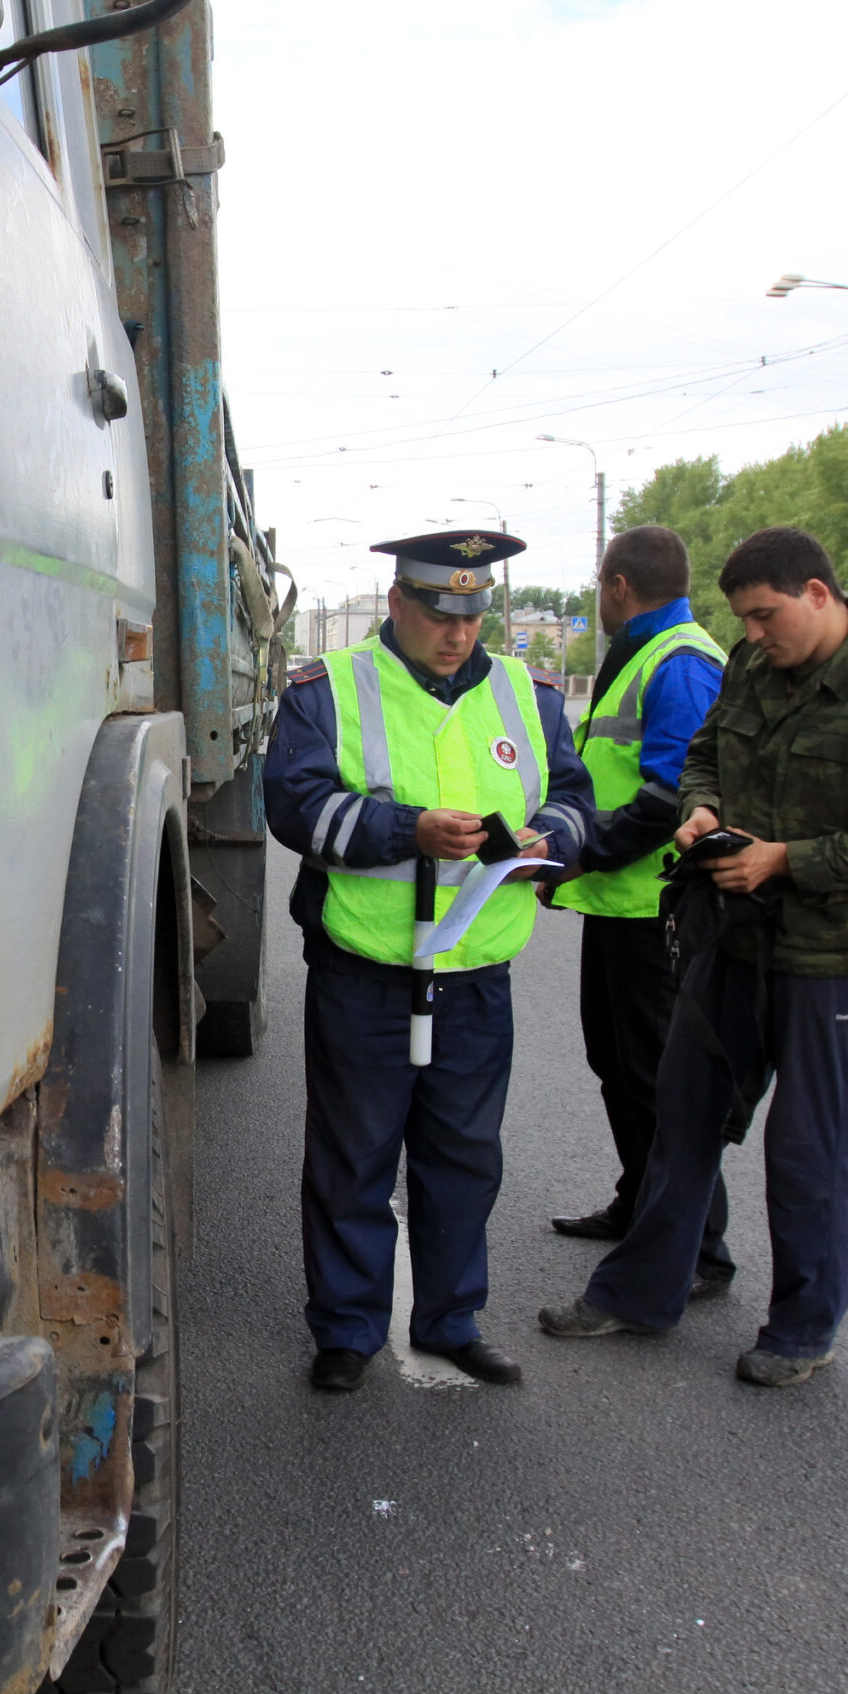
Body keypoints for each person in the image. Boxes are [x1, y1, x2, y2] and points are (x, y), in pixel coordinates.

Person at [539, 526, 848, 1387]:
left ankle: (804, 1329)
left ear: (819, 592)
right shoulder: (750, 665)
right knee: (680, 1121)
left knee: (814, 1152)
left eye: (766, 615)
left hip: (834, 960)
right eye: (746, 619)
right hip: (730, 940)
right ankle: (641, 1292)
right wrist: (700, 810)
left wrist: (784, 858)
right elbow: (702, 756)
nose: (756, 634)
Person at [266, 530, 594, 1393]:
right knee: (354, 1156)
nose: (460, 633)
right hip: (366, 969)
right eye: (442, 615)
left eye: (475, 614)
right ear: (399, 604)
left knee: (465, 1158)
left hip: (477, 973)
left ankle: (452, 1320)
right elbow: (296, 806)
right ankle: (345, 1328)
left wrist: (545, 842)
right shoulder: (328, 690)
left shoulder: (531, 693)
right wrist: (404, 829)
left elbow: (575, 802)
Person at [546, 527, 732, 1297]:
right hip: (621, 904)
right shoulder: (646, 649)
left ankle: (701, 1248)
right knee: (618, 1067)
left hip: (655, 904)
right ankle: (640, 1203)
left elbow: (670, 797)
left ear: (619, 585)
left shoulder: (680, 661)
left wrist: (587, 851)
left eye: (599, 583)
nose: (598, 596)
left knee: (660, 1079)